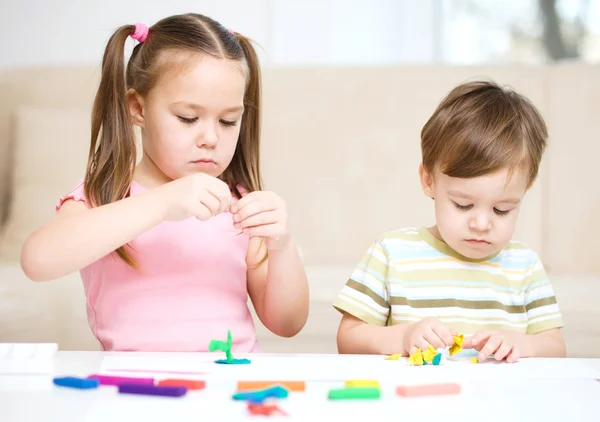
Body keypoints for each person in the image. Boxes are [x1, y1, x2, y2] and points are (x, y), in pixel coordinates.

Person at [20, 13, 309, 353]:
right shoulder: (105, 196)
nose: (210, 138)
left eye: (229, 121)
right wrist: (160, 203)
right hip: (133, 386)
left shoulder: (239, 205)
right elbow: (37, 262)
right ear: (137, 108)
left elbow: (287, 324)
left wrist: (283, 245)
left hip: (228, 385)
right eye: (188, 117)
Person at [333, 81, 565, 363]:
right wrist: (403, 337)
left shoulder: (524, 265)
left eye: (502, 209)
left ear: (525, 189)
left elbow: (555, 346)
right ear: (428, 180)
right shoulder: (392, 253)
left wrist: (524, 344)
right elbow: (348, 337)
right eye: (463, 205)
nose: (481, 223)